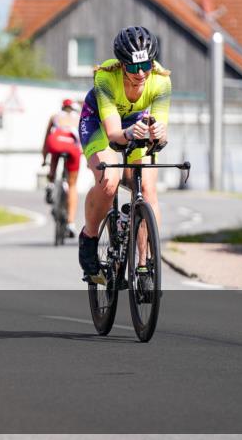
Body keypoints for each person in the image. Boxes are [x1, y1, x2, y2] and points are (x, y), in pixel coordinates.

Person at [77, 26, 171, 285]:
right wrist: (129, 133)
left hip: (135, 124)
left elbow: (160, 135)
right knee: (109, 179)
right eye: (132, 68)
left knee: (149, 191)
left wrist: (158, 133)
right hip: (100, 123)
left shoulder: (161, 80)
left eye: (146, 65)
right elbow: (114, 134)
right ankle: (89, 238)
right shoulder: (106, 78)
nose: (140, 73)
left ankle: (144, 266)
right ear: (121, 65)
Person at [41, 98, 82, 238]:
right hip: (72, 147)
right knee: (72, 185)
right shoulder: (79, 117)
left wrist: (43, 158)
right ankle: (70, 223)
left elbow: (47, 138)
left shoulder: (55, 116)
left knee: (54, 152)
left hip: (55, 143)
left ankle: (51, 183)